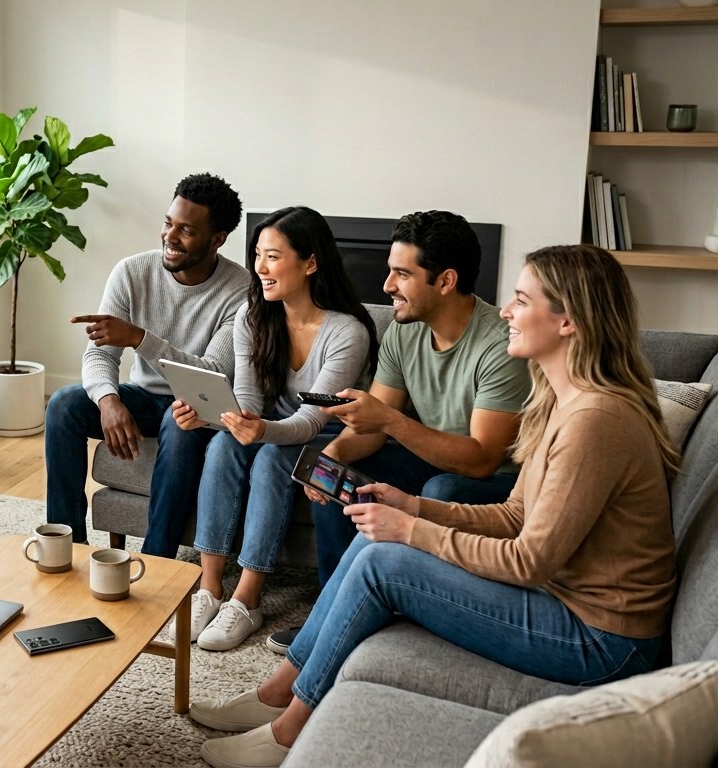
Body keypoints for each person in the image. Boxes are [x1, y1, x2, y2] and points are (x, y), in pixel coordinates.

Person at [189, 244, 680, 768]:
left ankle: (287, 734)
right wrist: (414, 507)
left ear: (568, 321)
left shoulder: (595, 420)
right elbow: (514, 516)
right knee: (376, 537)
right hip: (565, 605)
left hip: (600, 639)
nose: (507, 312)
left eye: (520, 300)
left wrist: (410, 531)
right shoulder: (563, 401)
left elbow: (529, 560)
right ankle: (277, 693)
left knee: (386, 559)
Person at [267, 210, 531, 655]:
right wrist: (334, 453)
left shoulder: (499, 346)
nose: (386, 286)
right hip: (427, 458)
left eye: (402, 274)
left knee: (443, 486)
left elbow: (484, 458)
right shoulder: (402, 333)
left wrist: (390, 422)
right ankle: (334, 612)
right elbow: (372, 426)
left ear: (445, 281)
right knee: (344, 479)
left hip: (497, 481)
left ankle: (407, 612)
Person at [173, 207, 377, 651]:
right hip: (269, 428)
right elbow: (247, 401)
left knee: (270, 456)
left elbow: (311, 420)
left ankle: (247, 599)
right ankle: (210, 588)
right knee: (224, 447)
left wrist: (259, 430)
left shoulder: (347, 331)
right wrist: (217, 416)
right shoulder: (253, 317)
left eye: (273, 257)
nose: (260, 268)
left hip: (326, 436)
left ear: (310, 263)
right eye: (258, 256)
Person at [44, 173, 249, 556]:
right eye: (168, 223)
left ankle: (157, 561)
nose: (170, 237)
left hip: (200, 407)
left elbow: (212, 374)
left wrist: (140, 338)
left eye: (186, 230)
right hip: (144, 396)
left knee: (180, 418)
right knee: (63, 405)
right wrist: (108, 400)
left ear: (217, 238)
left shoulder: (240, 289)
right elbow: (99, 354)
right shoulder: (132, 272)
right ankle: (66, 545)